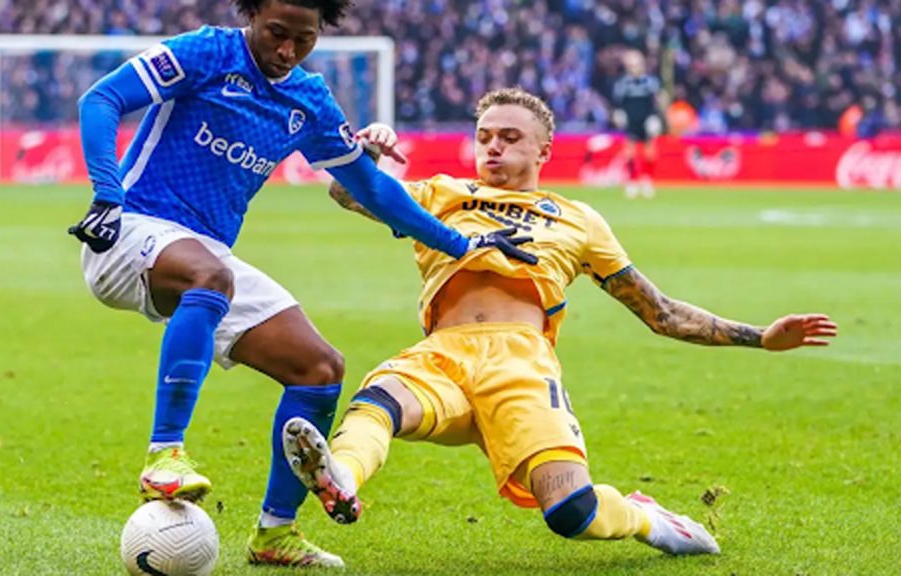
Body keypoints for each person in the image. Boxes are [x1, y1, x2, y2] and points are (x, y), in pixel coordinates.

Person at [66, 0, 534, 568]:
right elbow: (101, 99)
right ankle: (165, 455)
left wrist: (462, 245)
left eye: (303, 39)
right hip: (129, 230)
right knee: (210, 276)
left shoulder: (308, 99)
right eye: (276, 33)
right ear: (253, 16)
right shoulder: (207, 52)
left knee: (319, 369)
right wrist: (106, 194)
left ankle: (275, 533)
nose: (287, 50)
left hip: (206, 256)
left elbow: (371, 187)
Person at [280, 88, 838, 559]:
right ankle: (341, 477)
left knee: (573, 512)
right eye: (484, 136)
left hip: (521, 366)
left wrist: (760, 337)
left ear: (544, 149)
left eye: (509, 137)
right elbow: (347, 192)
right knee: (379, 400)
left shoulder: (577, 219)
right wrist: (365, 155)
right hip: (443, 354)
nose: (493, 146)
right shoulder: (442, 193)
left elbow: (659, 312)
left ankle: (645, 517)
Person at [612, 50, 665, 199]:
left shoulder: (651, 82)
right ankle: (632, 181)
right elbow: (617, 102)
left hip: (647, 120)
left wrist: (656, 117)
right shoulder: (622, 83)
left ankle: (647, 180)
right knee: (630, 152)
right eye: (631, 65)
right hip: (631, 121)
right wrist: (618, 113)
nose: (634, 68)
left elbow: (657, 101)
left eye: (636, 65)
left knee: (650, 153)